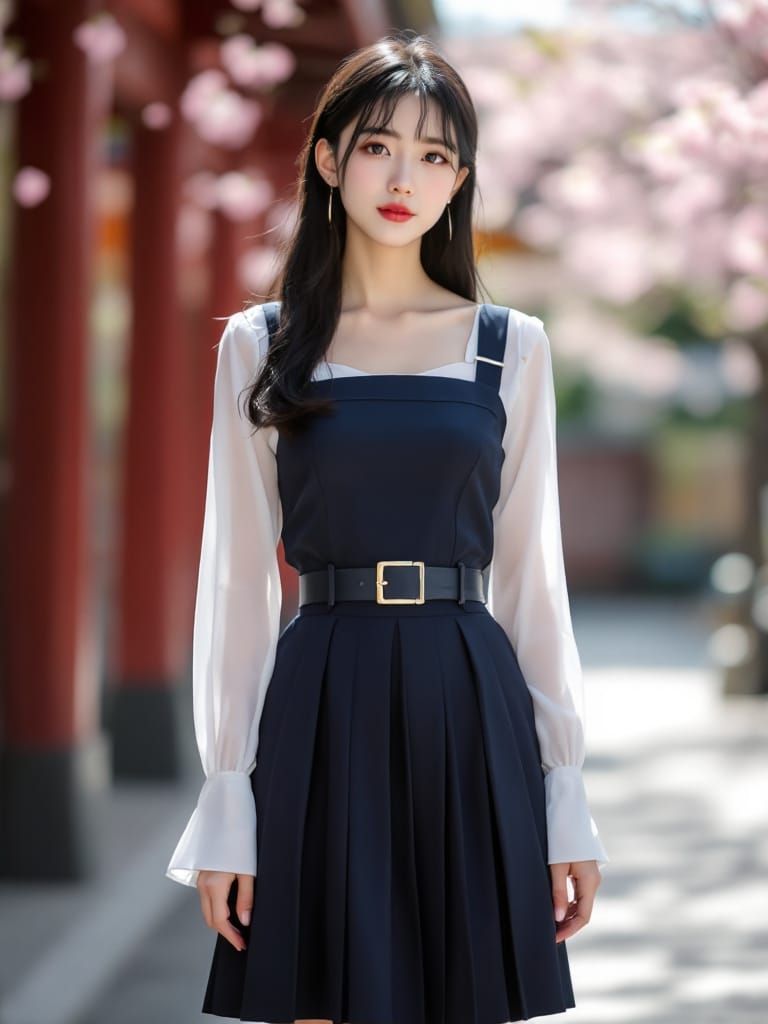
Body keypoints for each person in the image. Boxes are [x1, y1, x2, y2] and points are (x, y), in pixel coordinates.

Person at [166, 28, 609, 1024]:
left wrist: (566, 793)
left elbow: (533, 579)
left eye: (436, 155)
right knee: (322, 1000)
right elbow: (236, 581)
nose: (404, 175)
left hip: (468, 692)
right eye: (378, 146)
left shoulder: (510, 350)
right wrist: (227, 799)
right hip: (322, 693)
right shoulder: (263, 343)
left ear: (460, 182)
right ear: (329, 159)